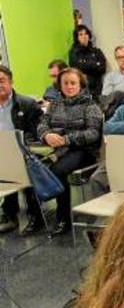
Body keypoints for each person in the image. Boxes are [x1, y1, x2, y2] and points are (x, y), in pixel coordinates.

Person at [36, 68, 103, 234]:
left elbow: (93, 134)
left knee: (57, 171)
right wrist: (46, 135)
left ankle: (63, 217)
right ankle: (36, 216)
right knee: (32, 165)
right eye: (65, 83)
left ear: (81, 84)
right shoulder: (55, 103)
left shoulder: (90, 105)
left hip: (82, 151)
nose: (69, 86)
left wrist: (66, 139)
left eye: (73, 83)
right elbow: (42, 124)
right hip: (55, 148)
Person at [0, 66, 44, 235]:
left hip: (25, 151)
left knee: (20, 166)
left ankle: (35, 216)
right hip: (2, 152)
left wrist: (20, 146)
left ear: (11, 82)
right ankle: (10, 215)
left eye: (2, 81)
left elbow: (37, 134)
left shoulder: (27, 104)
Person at [69, 25, 107, 97]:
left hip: (97, 89)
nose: (84, 36)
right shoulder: (74, 52)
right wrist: (95, 64)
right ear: (77, 38)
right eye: (81, 34)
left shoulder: (97, 51)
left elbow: (102, 69)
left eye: (86, 33)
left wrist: (85, 64)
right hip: (82, 90)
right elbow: (77, 69)